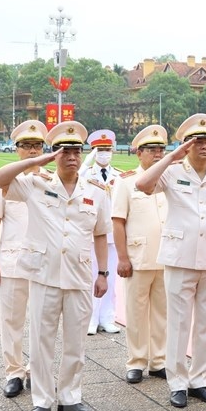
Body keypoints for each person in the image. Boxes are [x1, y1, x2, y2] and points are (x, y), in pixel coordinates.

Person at [0, 121, 111, 411]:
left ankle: (70, 396)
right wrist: (35, 161)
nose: (71, 156)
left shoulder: (95, 192)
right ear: (54, 154)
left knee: (76, 343)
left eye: (76, 151)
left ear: (83, 155)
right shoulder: (35, 184)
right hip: (44, 274)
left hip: (79, 275)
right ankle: (42, 399)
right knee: (41, 342)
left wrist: (103, 273)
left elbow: (100, 234)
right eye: (64, 150)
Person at [134, 113, 206, 408]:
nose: (204, 146)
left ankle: (199, 380)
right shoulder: (172, 171)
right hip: (179, 257)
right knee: (178, 323)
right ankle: (177, 382)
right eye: (197, 141)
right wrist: (172, 157)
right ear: (186, 146)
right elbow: (142, 184)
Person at [0, 119, 46, 399]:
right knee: (12, 321)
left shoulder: (52, 180)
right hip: (11, 261)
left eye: (37, 145)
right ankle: (14, 371)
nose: (33, 151)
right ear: (17, 149)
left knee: (41, 321)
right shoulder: (5, 180)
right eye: (27, 146)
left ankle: (37, 371)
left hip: (43, 263)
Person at [112, 125, 169, 384]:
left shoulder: (171, 180)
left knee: (162, 312)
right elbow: (117, 221)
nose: (157, 155)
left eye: (161, 150)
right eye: (152, 150)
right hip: (137, 257)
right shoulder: (125, 182)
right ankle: (136, 361)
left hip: (168, 257)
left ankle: (159, 361)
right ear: (139, 153)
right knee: (135, 313)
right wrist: (122, 257)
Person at [82, 129, 121, 335]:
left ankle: (108, 317)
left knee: (110, 279)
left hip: (113, 235)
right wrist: (85, 164)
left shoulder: (119, 176)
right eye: (100, 149)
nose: (105, 153)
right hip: (91, 234)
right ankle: (90, 318)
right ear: (93, 151)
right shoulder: (85, 174)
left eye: (107, 149)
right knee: (91, 277)